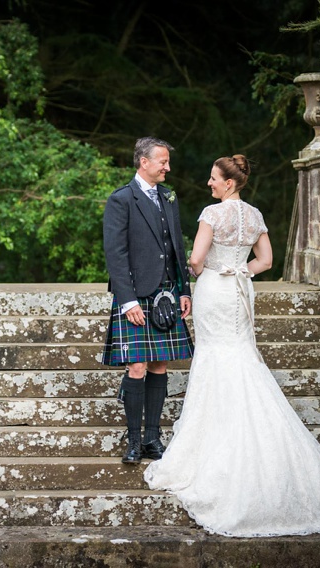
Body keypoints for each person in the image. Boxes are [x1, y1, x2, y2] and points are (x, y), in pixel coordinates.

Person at [143, 155, 320, 536]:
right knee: (241, 355)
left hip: (214, 290)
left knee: (214, 356)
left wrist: (192, 269)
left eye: (213, 179)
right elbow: (267, 260)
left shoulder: (211, 214)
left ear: (228, 183)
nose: (209, 184)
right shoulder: (254, 215)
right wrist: (240, 269)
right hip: (240, 290)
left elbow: (195, 260)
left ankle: (214, 443)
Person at [102, 136, 194, 465]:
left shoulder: (168, 197)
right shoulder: (121, 200)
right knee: (137, 365)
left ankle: (153, 438)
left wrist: (185, 290)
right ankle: (134, 440)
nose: (167, 167)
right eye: (162, 162)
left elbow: (177, 248)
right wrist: (127, 302)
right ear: (144, 162)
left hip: (167, 293)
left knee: (159, 364)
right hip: (137, 294)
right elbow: (115, 253)